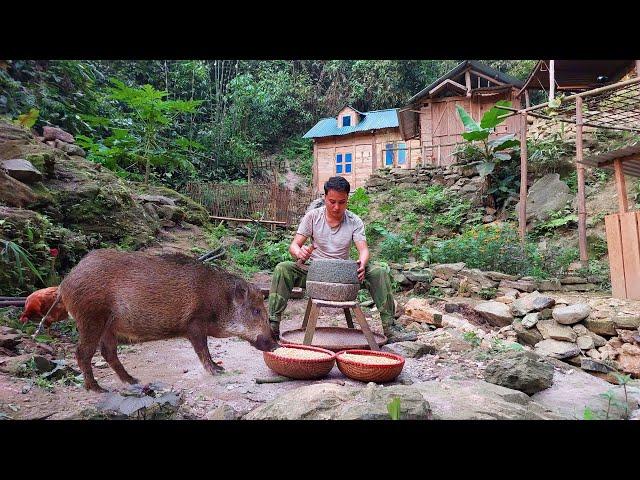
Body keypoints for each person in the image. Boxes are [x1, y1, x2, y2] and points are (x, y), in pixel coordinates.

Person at [268, 175, 417, 343]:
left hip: (344, 275)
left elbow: (363, 250)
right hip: (315, 272)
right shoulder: (312, 217)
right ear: (324, 198)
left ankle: (390, 327)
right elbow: (294, 245)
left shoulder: (354, 221)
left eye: (342, 202)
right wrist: (299, 253)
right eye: (332, 201)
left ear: (347, 199)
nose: (337, 207)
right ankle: (272, 325)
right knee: (283, 268)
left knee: (378, 272)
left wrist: (362, 262)